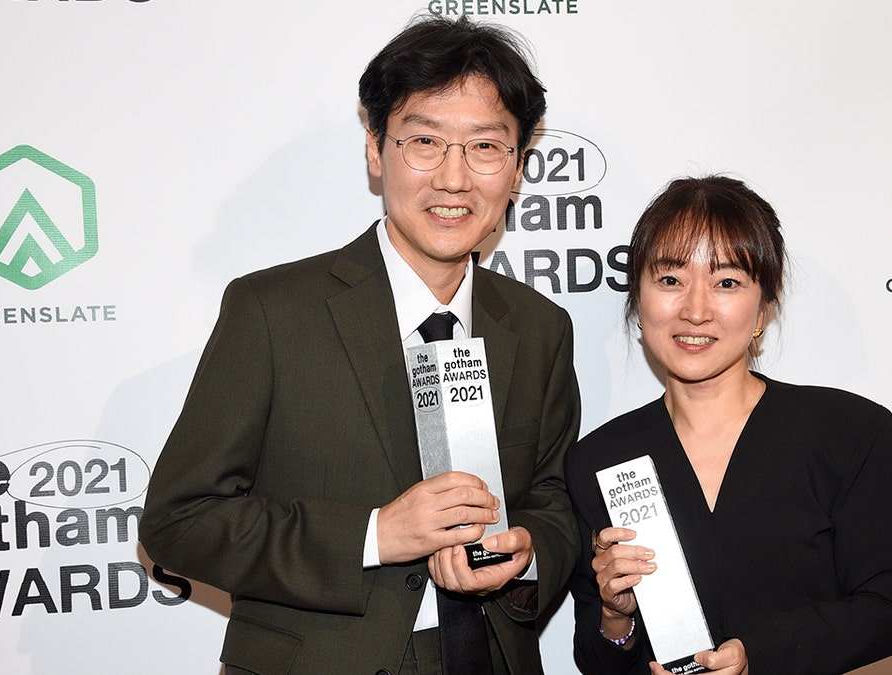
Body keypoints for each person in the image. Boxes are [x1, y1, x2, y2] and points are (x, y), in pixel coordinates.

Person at [140, 16, 582, 675]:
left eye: (486, 147)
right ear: (376, 149)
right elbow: (180, 522)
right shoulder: (273, 311)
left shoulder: (540, 325)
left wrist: (530, 551)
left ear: (517, 167)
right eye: (424, 142)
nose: (455, 179)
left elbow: (553, 496)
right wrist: (376, 534)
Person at [565, 176, 892, 674]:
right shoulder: (598, 458)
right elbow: (596, 658)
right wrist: (615, 615)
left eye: (727, 282)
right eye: (670, 280)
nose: (695, 310)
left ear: (764, 306)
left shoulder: (847, 432)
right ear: (638, 300)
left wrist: (759, 656)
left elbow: (891, 611)